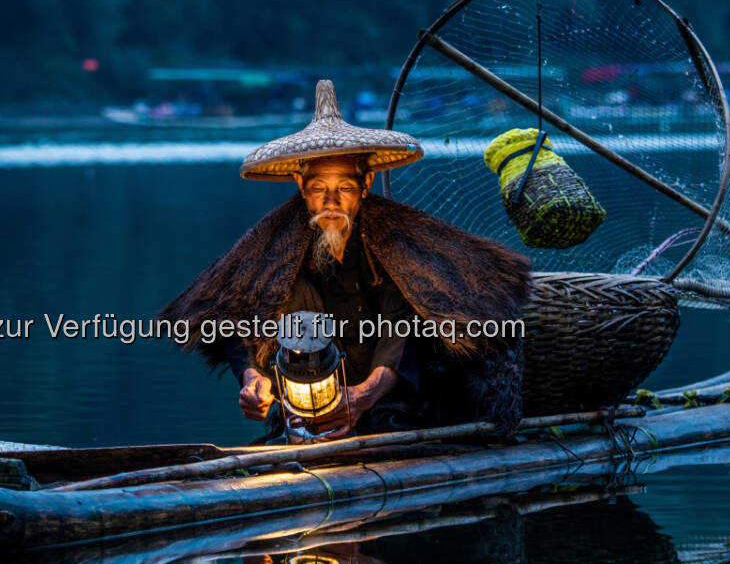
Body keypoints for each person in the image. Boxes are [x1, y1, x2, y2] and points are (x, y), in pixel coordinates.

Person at [161, 79, 532, 437]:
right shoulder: (273, 248)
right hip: (305, 404)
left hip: (394, 405)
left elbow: (403, 325)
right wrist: (253, 381)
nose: (332, 202)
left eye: (345, 189)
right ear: (302, 188)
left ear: (365, 186)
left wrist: (364, 394)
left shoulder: (398, 243)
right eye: (319, 189)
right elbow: (238, 313)